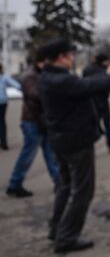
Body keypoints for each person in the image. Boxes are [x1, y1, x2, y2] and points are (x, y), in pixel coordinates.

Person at [38, 38, 110, 254]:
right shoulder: (60, 80)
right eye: (70, 55)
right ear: (61, 57)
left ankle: (57, 229)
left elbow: (87, 85)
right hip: (75, 142)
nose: (73, 59)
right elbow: (89, 86)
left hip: (62, 141)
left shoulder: (49, 77)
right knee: (82, 191)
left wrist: (108, 74)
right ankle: (66, 238)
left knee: (66, 187)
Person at [6, 53, 60, 197]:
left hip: (42, 120)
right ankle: (14, 184)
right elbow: (36, 95)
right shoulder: (30, 76)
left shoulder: (41, 74)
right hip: (32, 122)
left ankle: (59, 182)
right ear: (39, 62)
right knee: (28, 155)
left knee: (51, 154)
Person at [82, 53, 110, 153]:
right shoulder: (103, 70)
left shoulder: (87, 70)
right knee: (107, 123)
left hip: (91, 100)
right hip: (102, 99)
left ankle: (90, 145)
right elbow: (109, 83)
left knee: (93, 122)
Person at [0, 61, 21, 150]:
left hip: (2, 101)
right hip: (2, 101)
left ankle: (3, 142)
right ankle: (4, 142)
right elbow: (17, 85)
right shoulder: (4, 77)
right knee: (1, 121)